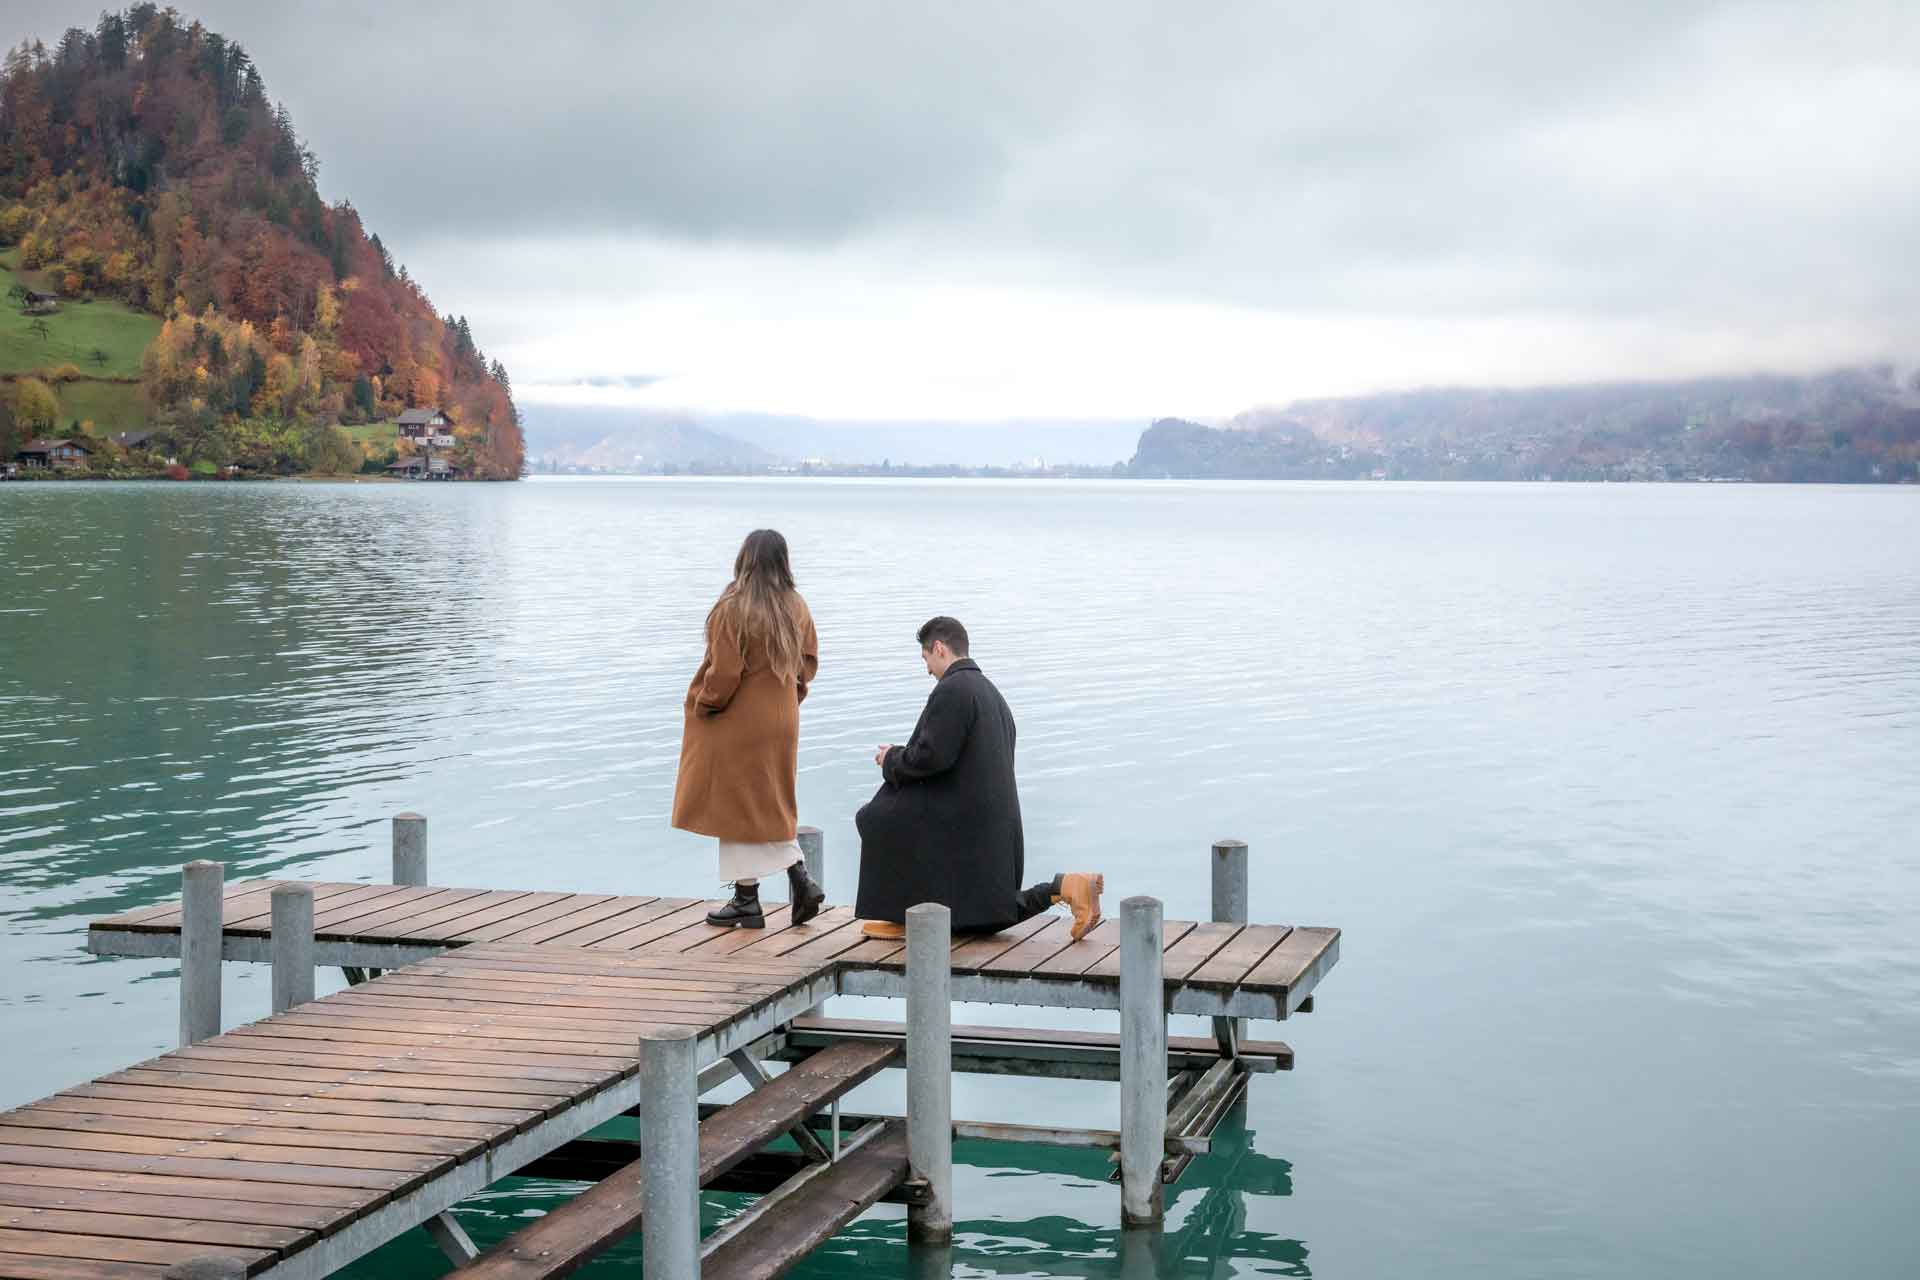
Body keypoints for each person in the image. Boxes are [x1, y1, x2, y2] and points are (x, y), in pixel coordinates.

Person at [854, 616, 1102, 940]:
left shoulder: (953, 690)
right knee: (987, 916)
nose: (927, 669)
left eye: (926, 659)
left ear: (939, 649)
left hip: (965, 827)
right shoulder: (991, 694)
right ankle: (1067, 886)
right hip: (994, 829)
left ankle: (905, 917)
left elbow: (931, 757)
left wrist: (890, 759)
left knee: (877, 819)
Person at [671, 529, 827, 929]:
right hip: (783, 718)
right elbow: (808, 663)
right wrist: (788, 696)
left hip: (741, 719)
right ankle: (757, 895)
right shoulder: (798, 605)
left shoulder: (733, 607)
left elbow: (724, 673)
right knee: (767, 800)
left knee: (736, 802)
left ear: (745, 559)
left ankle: (777, 886)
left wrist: (705, 703)